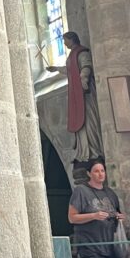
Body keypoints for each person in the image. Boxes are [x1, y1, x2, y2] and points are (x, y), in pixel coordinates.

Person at [47, 31, 104, 171]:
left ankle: (93, 151)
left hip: (85, 93)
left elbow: (86, 66)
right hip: (76, 93)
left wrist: (83, 81)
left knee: (88, 119)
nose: (64, 43)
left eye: (65, 40)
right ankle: (83, 153)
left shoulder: (81, 52)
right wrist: (56, 69)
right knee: (79, 122)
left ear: (72, 39)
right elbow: (70, 70)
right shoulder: (72, 54)